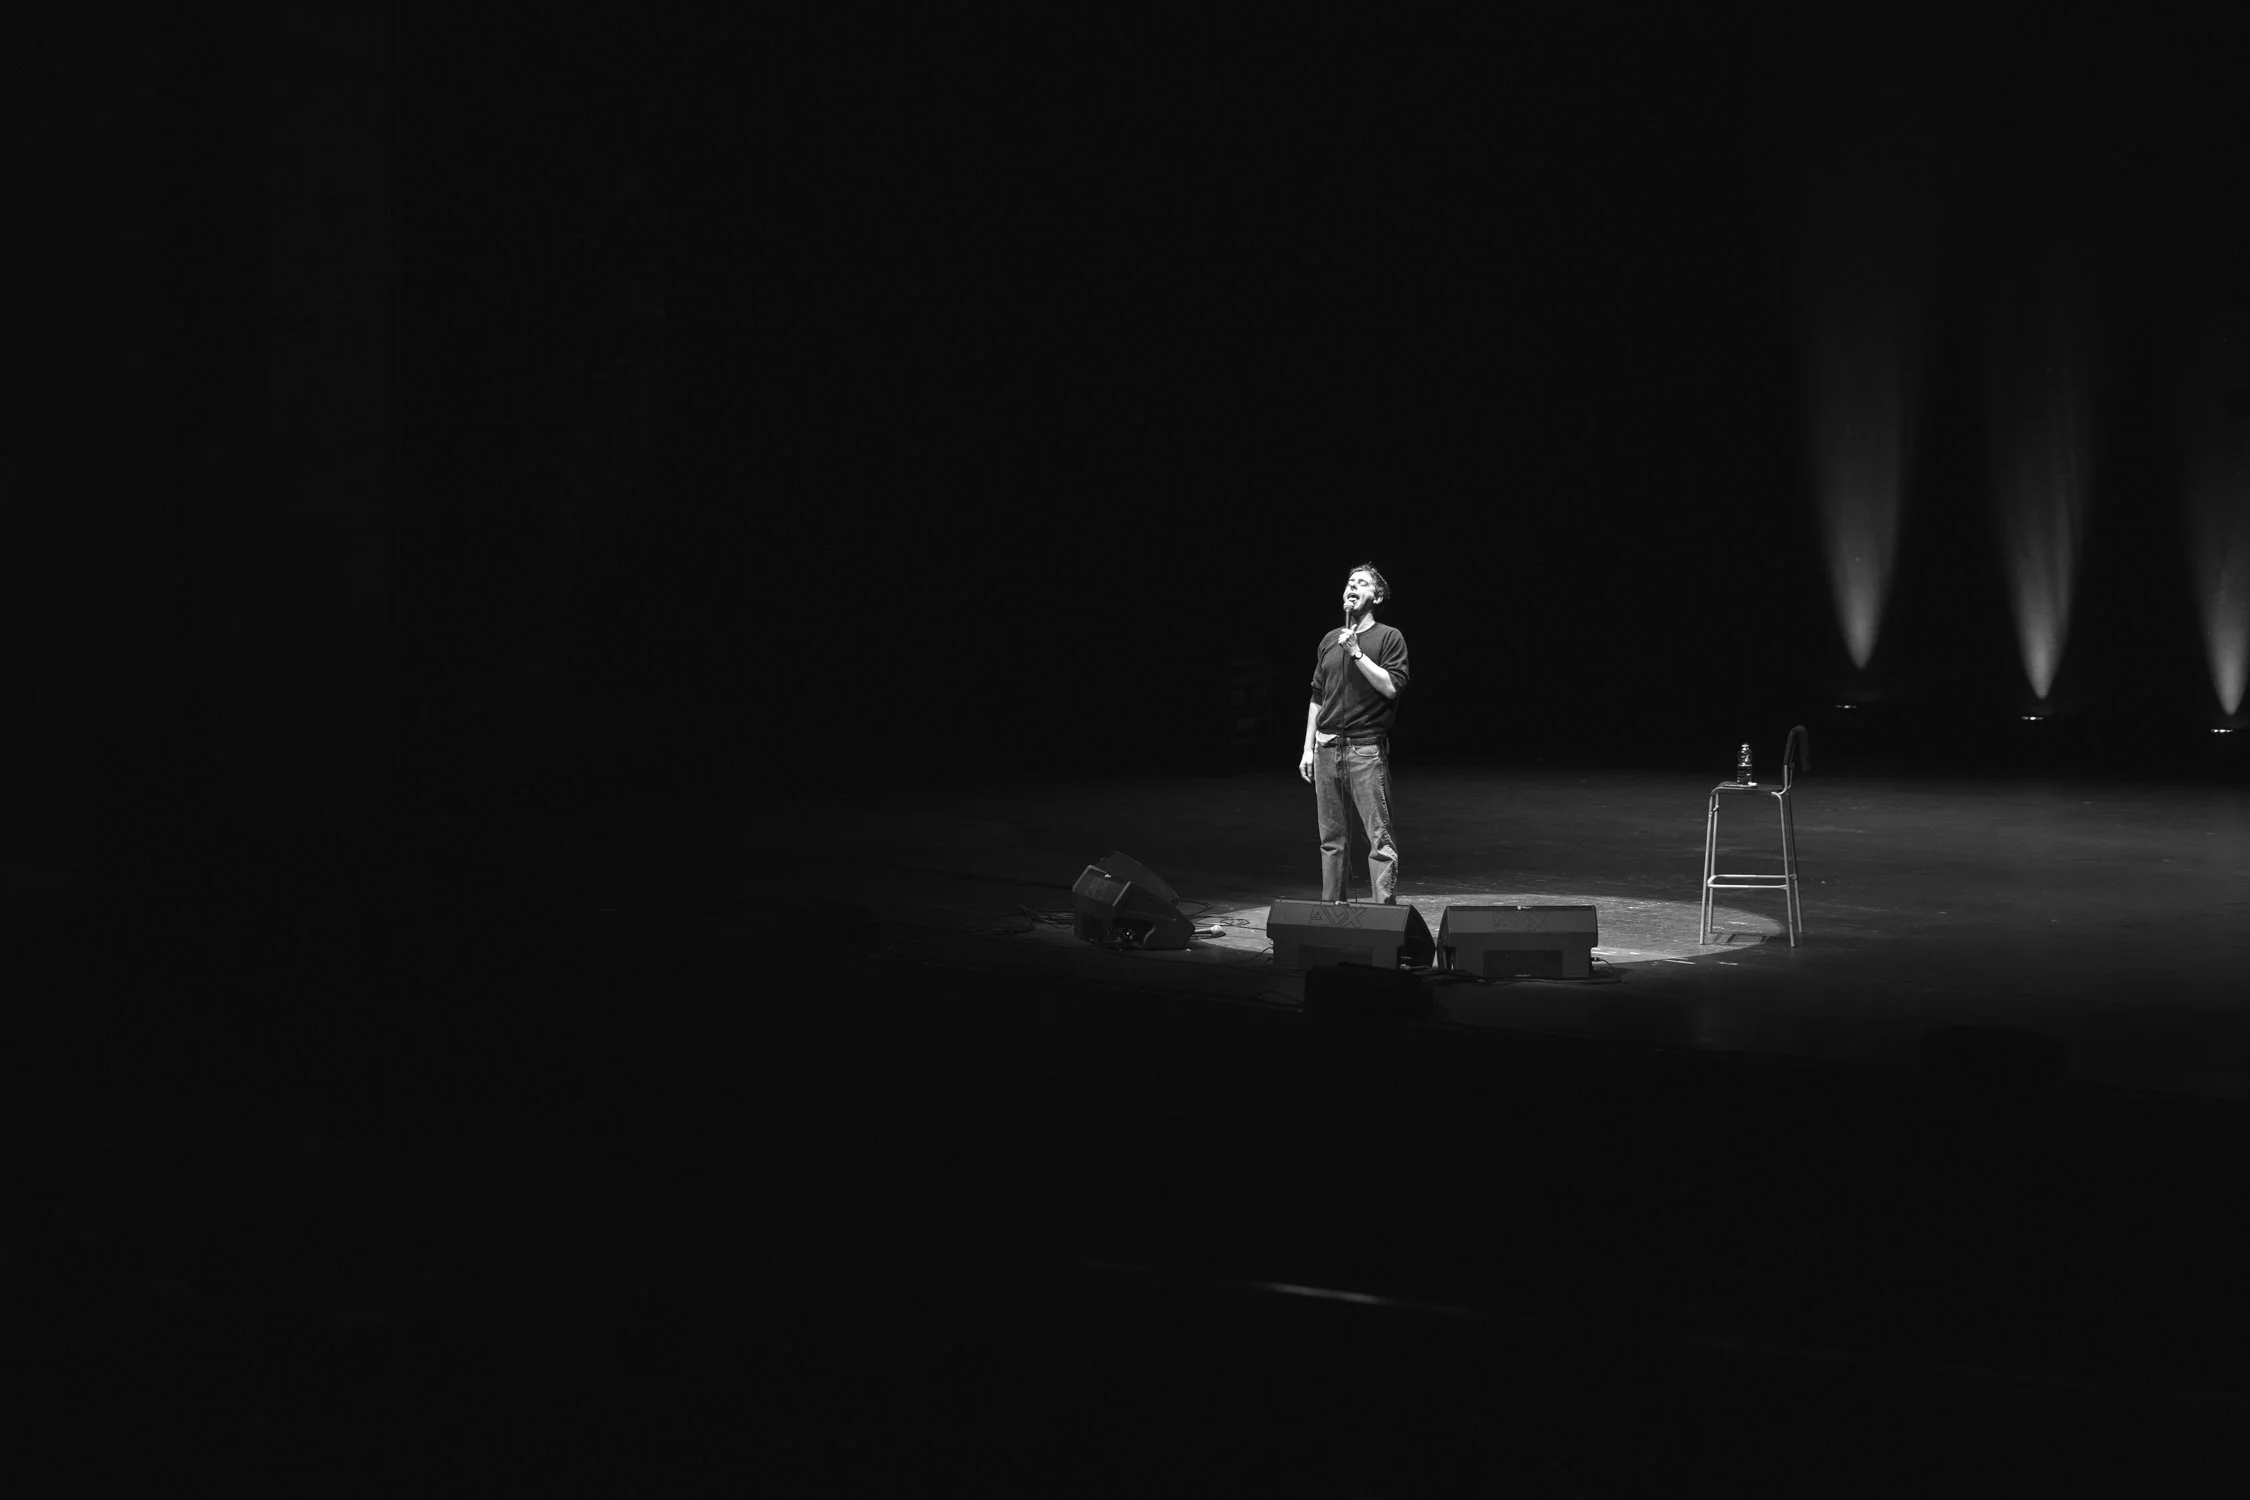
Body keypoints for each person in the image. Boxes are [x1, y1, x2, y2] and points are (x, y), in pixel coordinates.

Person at [1298, 563, 1410, 903]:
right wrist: (1307, 749)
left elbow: (1391, 688)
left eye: (1362, 583)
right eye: (1349, 582)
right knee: (1332, 840)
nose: (1352, 586)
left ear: (1375, 597)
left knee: (1379, 839)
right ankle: (1334, 913)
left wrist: (1356, 652)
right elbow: (1317, 698)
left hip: (1365, 750)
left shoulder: (1389, 637)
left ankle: (1384, 920)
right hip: (1326, 749)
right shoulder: (1330, 640)